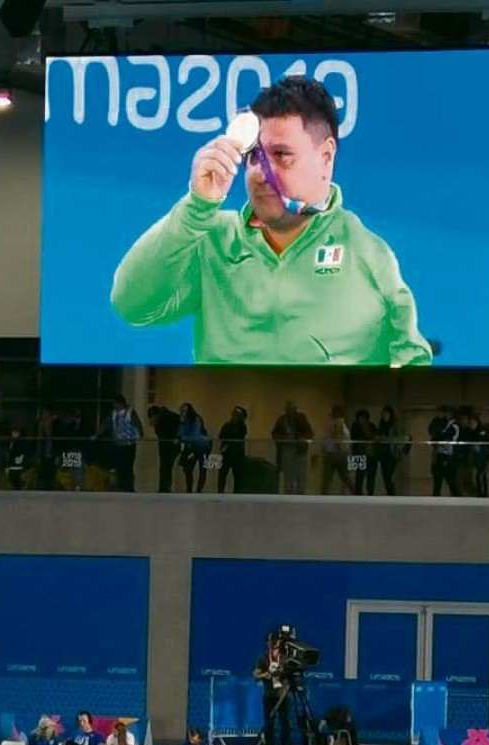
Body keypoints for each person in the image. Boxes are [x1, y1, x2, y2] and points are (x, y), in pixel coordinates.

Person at [110, 76, 432, 367]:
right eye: (253, 156)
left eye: (280, 155)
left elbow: (413, 356)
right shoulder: (211, 241)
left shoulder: (368, 253)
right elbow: (131, 305)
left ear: (326, 157)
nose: (262, 173)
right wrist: (197, 208)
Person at [253, 634, 290, 745]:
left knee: (285, 724)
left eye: (275, 643)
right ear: (267, 644)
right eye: (270, 643)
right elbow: (255, 675)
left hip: (282, 695)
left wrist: (282, 673)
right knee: (269, 724)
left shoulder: (284, 658)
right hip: (269, 695)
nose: (273, 646)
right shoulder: (263, 658)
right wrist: (267, 674)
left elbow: (290, 674)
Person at [102, 396, 143, 492]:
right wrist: (96, 435)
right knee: (119, 467)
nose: (113, 405)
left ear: (120, 403)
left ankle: (128, 488)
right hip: (118, 445)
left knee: (127, 467)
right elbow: (105, 424)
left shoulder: (130, 412)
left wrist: (140, 433)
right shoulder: (113, 414)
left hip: (129, 445)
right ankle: (120, 487)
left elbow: (137, 424)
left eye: (115, 403)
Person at [271, 402, 313, 495]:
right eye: (288, 409)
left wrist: (302, 438)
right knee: (288, 476)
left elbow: (309, 432)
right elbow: (274, 433)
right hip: (287, 449)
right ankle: (289, 495)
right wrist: (282, 438)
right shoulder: (282, 419)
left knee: (301, 475)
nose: (290, 411)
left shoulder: (301, 418)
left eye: (292, 409)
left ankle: (301, 494)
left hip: (300, 451)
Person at [177, 402, 212, 493]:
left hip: (203, 446)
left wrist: (183, 438)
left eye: (185, 411)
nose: (183, 413)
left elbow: (195, 435)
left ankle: (199, 490)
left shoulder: (196, 419)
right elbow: (180, 434)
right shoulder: (183, 422)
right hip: (192, 446)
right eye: (181, 411)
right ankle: (189, 489)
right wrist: (181, 423)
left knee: (202, 468)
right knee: (188, 468)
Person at [375, 405, 408, 496]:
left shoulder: (396, 424)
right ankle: (390, 494)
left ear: (390, 414)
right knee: (386, 476)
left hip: (393, 453)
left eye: (385, 413)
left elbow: (402, 439)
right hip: (383, 452)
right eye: (383, 413)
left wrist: (385, 438)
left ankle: (391, 494)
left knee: (388, 475)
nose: (384, 415)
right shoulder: (382, 423)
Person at [147, 404, 181, 492]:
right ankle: (165, 488)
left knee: (166, 468)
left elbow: (169, 434)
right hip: (168, 447)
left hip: (169, 448)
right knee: (165, 468)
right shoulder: (166, 417)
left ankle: (165, 488)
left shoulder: (166, 419)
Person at [320, 405, 353, 495]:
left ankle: (355, 493)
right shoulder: (332, 423)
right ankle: (355, 492)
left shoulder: (338, 423)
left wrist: (337, 450)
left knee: (341, 477)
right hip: (333, 453)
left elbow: (336, 437)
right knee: (337, 477)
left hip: (337, 453)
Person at [217, 406, 248, 494]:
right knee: (222, 474)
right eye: (234, 414)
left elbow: (239, 435)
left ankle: (237, 494)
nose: (235, 416)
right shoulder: (227, 425)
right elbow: (221, 436)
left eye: (237, 414)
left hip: (237, 454)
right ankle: (220, 492)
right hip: (226, 453)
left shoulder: (242, 426)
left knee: (237, 476)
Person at [431, 408, 461, 497]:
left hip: (447, 455)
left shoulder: (454, 426)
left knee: (450, 479)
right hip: (442, 454)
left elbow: (444, 436)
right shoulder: (446, 425)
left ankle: (456, 497)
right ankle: (436, 496)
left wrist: (438, 437)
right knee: (438, 478)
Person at [349, 409, 378, 496]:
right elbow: (356, 439)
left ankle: (370, 496)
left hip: (371, 455)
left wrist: (368, 431)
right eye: (360, 418)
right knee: (359, 478)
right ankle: (358, 496)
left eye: (364, 418)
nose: (362, 420)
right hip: (359, 455)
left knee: (371, 478)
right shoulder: (355, 426)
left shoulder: (372, 426)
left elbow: (376, 437)